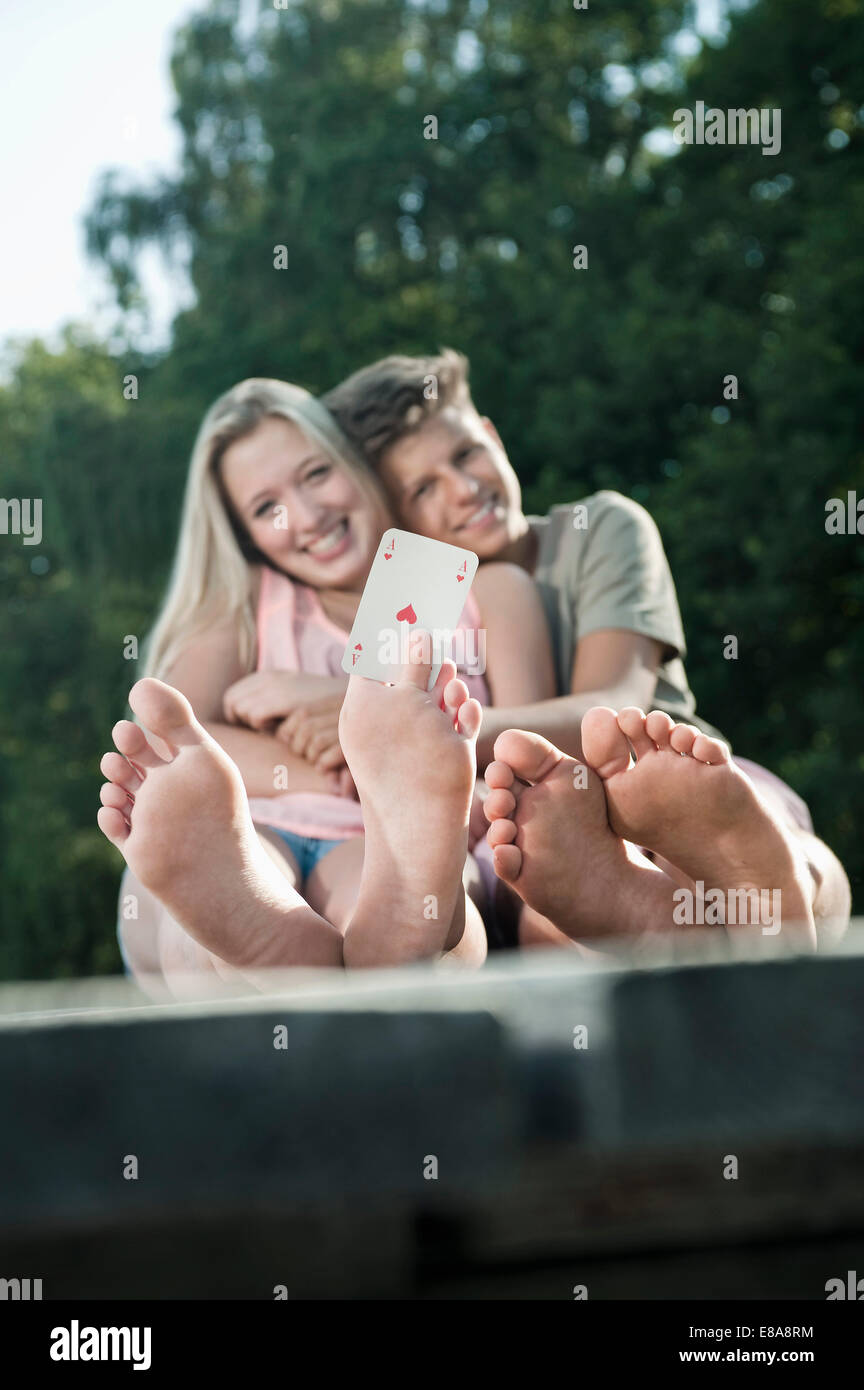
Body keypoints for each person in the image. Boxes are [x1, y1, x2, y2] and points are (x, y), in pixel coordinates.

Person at [317, 349, 850, 947]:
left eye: (466, 454)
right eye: (423, 489)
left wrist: (423, 733)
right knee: (546, 894)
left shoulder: (601, 528)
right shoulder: (415, 598)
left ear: (492, 435)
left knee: (775, 838)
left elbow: (614, 707)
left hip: (675, 778)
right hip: (532, 831)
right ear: (397, 518)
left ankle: (774, 890)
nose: (464, 490)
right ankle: (662, 918)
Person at [107, 378, 557, 994]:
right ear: (245, 536)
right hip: (250, 826)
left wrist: (422, 780)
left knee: (400, 898)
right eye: (267, 508)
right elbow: (171, 739)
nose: (307, 515)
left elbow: (531, 755)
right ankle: (251, 923)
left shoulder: (457, 587)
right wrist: (347, 767)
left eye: (316, 474)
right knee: (228, 888)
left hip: (385, 835)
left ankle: (369, 929)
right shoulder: (245, 607)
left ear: (356, 462)